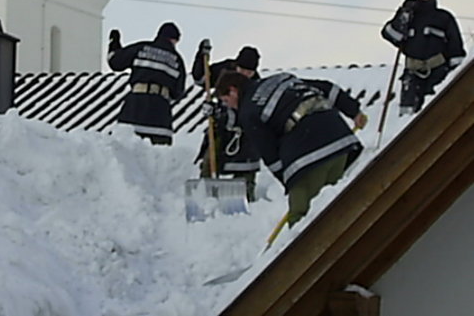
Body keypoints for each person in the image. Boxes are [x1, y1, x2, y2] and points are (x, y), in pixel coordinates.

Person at [215, 70, 367, 227]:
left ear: (233, 91)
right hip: (340, 140)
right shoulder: (281, 78)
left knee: (303, 223)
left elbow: (269, 152)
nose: (229, 106)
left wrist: (289, 181)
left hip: (307, 158)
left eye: (226, 101)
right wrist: (354, 111)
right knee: (340, 204)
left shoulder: (248, 112)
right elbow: (327, 88)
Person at [381, 0, 466, 115]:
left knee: (437, 114)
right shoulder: (408, 16)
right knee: (408, 120)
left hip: (438, 74)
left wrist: (455, 76)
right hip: (412, 77)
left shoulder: (444, 18)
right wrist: (402, 16)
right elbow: (389, 34)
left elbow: (455, 49)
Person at [191, 41, 262, 201]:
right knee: (210, 161)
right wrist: (201, 56)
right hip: (220, 129)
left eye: (249, 72)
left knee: (246, 168)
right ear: (236, 64)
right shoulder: (224, 70)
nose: (245, 74)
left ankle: (247, 200)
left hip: (244, 135)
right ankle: (205, 199)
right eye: (242, 69)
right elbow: (201, 79)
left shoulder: (257, 86)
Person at [107, 21, 186, 145]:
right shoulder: (177, 60)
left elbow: (114, 62)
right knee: (158, 157)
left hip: (134, 110)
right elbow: (178, 92)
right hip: (160, 116)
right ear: (174, 40)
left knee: (124, 151)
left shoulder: (141, 48)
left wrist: (114, 43)